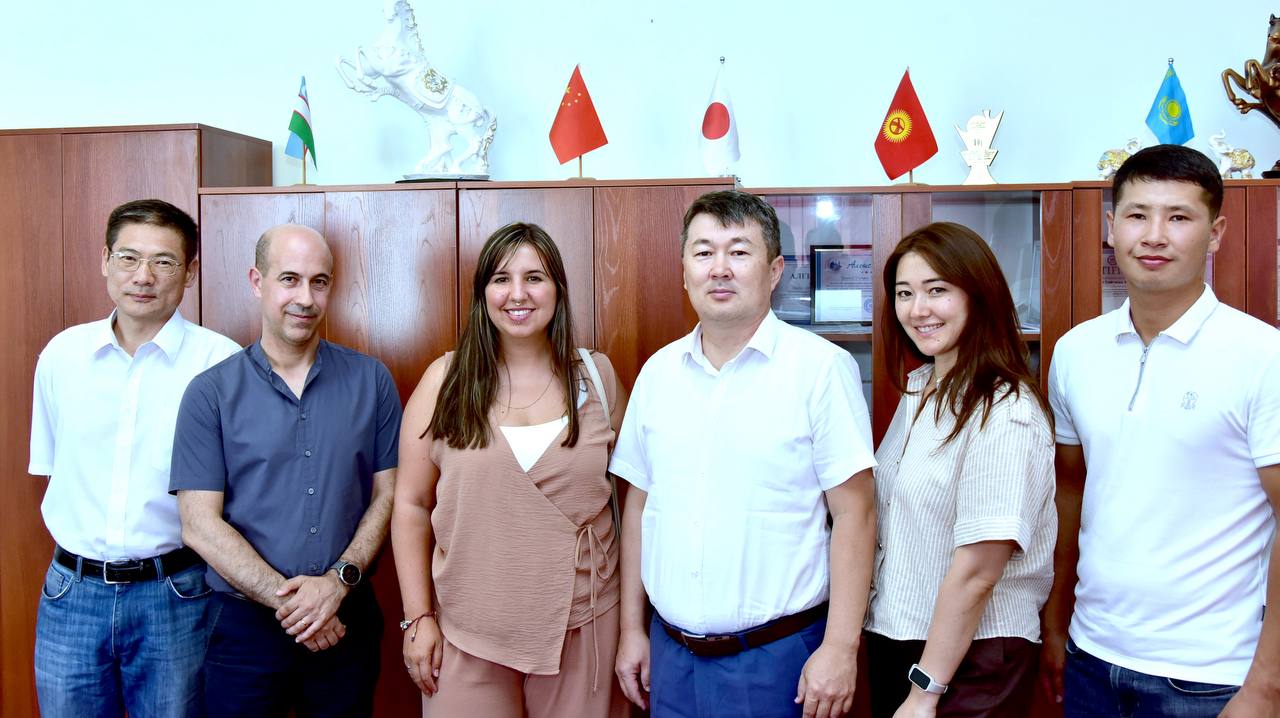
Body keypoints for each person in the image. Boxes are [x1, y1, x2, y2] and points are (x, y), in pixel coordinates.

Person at [610, 189, 878, 718]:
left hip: (779, 660)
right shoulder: (658, 374)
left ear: (774, 271)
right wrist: (631, 631)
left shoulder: (820, 369)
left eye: (739, 251)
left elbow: (857, 513)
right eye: (703, 252)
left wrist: (841, 647)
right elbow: (639, 507)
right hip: (671, 656)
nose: (720, 268)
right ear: (684, 271)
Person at [1042, 144, 1280, 717]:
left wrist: (1266, 685)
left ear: (1215, 233)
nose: (1154, 236)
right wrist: (1055, 623)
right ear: (1111, 227)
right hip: (1091, 657)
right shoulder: (1075, 352)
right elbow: (1070, 492)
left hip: (1210, 677)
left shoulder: (1262, 357)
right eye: (1137, 215)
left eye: (1178, 217)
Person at [392, 222, 629, 718]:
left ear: (558, 289)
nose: (517, 294)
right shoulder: (444, 381)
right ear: (483, 293)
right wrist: (418, 618)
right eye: (501, 279)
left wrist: (632, 626)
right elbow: (411, 505)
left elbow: (631, 503)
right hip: (466, 632)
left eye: (534, 278)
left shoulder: (598, 377)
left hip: (584, 625)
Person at [169, 224, 401, 717]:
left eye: (319, 282)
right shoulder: (209, 393)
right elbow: (199, 524)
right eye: (290, 279)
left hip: (347, 618)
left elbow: (389, 496)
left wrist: (336, 584)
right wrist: (296, 606)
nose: (306, 298)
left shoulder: (372, 381)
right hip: (243, 632)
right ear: (257, 281)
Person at [28, 199, 239, 718]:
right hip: (71, 594)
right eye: (128, 257)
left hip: (176, 594)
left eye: (163, 261)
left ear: (190, 271)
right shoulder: (62, 356)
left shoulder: (221, 363)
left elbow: (239, 493)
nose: (143, 276)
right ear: (105, 260)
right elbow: (52, 470)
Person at [863, 222, 1055, 717]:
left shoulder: (1004, 409)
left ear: (978, 295)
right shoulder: (921, 388)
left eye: (937, 290)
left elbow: (978, 572)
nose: (917, 309)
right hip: (901, 639)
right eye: (905, 293)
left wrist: (925, 690)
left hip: (972, 660)